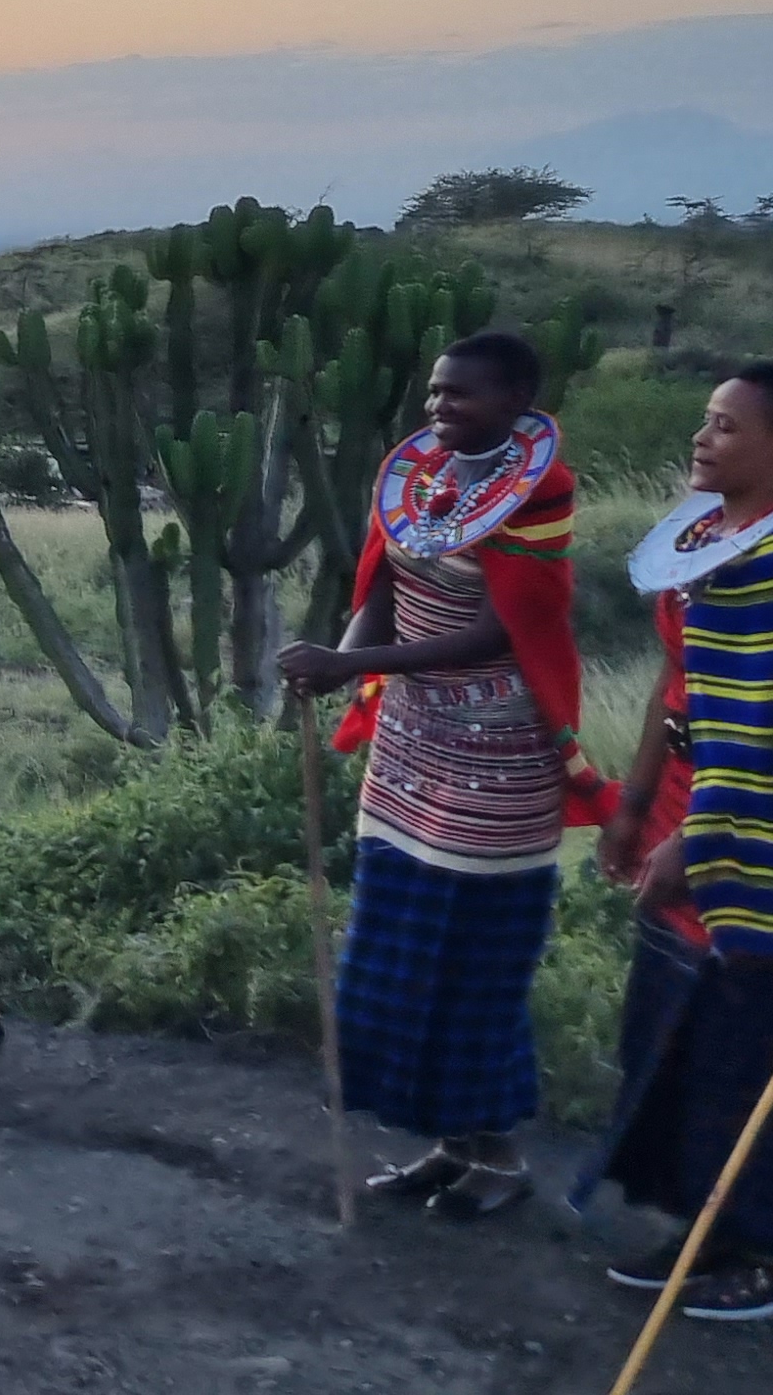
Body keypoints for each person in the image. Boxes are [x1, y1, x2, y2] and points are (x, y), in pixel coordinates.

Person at [280, 330, 601, 1215]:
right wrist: (337, 661)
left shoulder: (542, 492)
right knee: (397, 952)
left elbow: (507, 630)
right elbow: (378, 584)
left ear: (516, 403)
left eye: (460, 396)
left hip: (497, 757)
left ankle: (497, 1157)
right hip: (414, 742)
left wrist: (357, 664)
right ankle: (450, 1144)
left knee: (472, 964)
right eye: (433, 393)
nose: (438, 409)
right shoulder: (418, 476)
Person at [593, 361, 773, 1320]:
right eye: (704, 422)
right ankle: (700, 1225)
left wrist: (701, 845)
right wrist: (633, 807)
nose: (702, 440)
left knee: (747, 1044)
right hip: (691, 818)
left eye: (726, 427)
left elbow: (758, 734)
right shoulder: (705, 547)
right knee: (681, 1037)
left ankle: (756, 1250)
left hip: (753, 839)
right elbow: (681, 695)